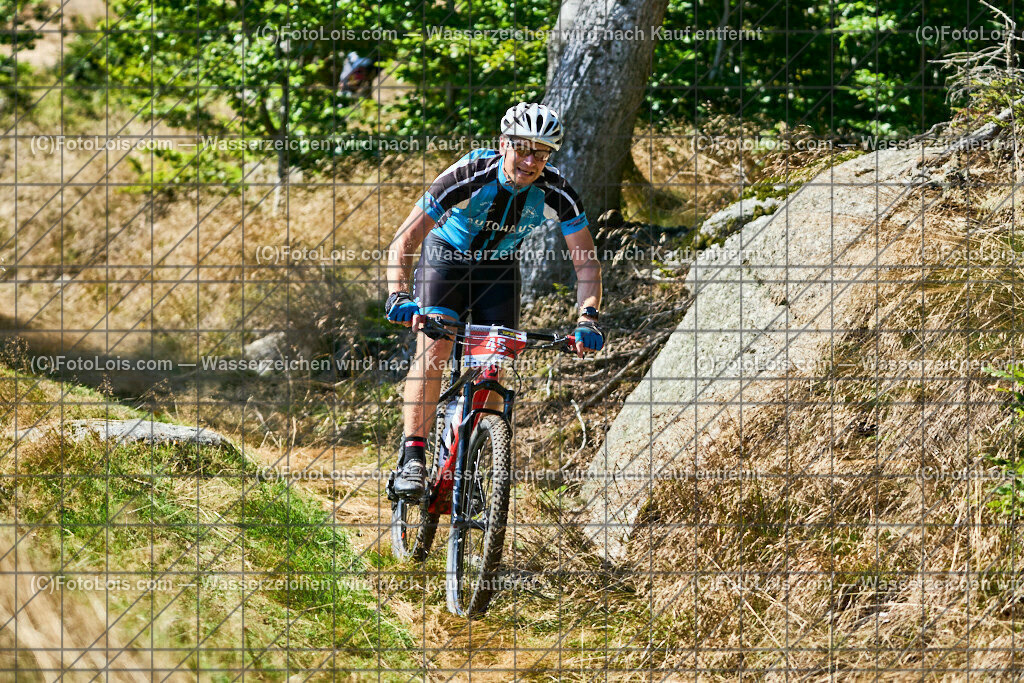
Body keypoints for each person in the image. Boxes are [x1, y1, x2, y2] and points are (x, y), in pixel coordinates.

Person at [384, 102, 604, 499]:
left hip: (498, 270)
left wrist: (587, 317)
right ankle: (414, 456)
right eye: (523, 147)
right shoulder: (468, 175)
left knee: (492, 368)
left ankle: (473, 462)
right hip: (446, 258)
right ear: (503, 144)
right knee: (435, 347)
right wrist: (398, 294)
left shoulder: (557, 192)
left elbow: (587, 266)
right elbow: (405, 239)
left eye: (542, 152)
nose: (531, 160)